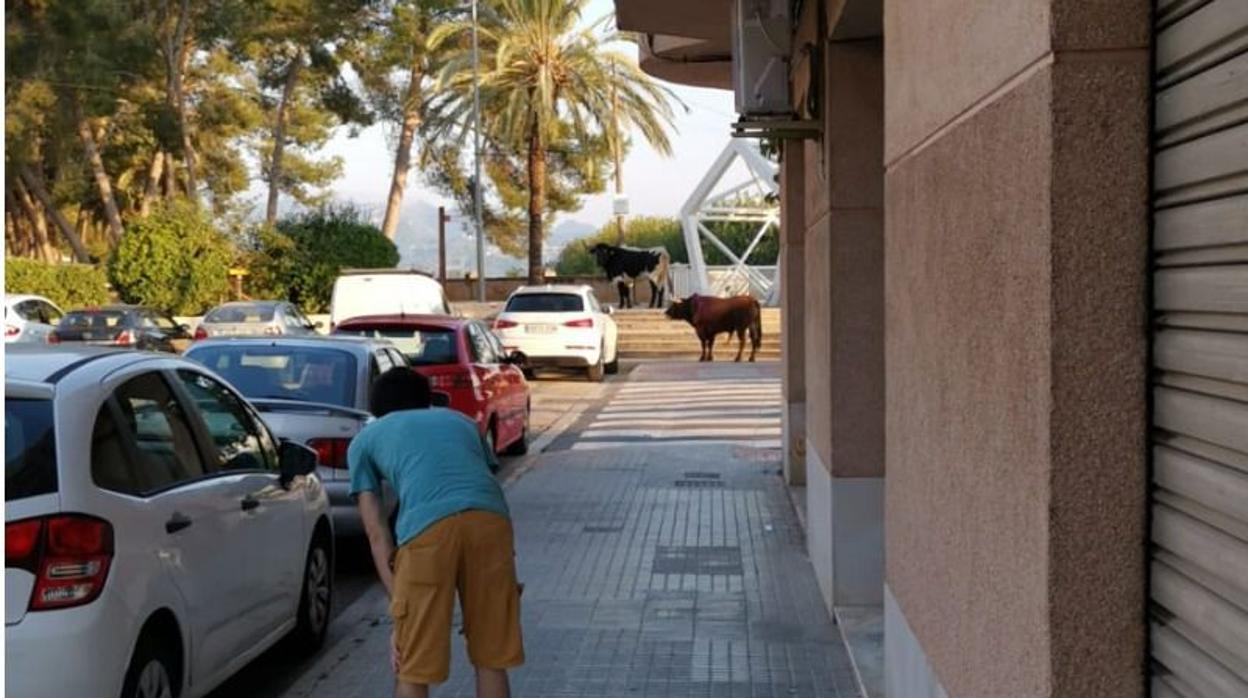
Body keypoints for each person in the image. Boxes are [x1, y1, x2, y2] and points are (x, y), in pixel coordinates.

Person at [350, 368, 524, 698]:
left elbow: (377, 533)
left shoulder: (366, 439)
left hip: (427, 532)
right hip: (491, 525)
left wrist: (400, 608)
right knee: (491, 659)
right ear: (427, 399)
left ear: (377, 406)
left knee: (413, 664)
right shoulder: (462, 423)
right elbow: (480, 484)